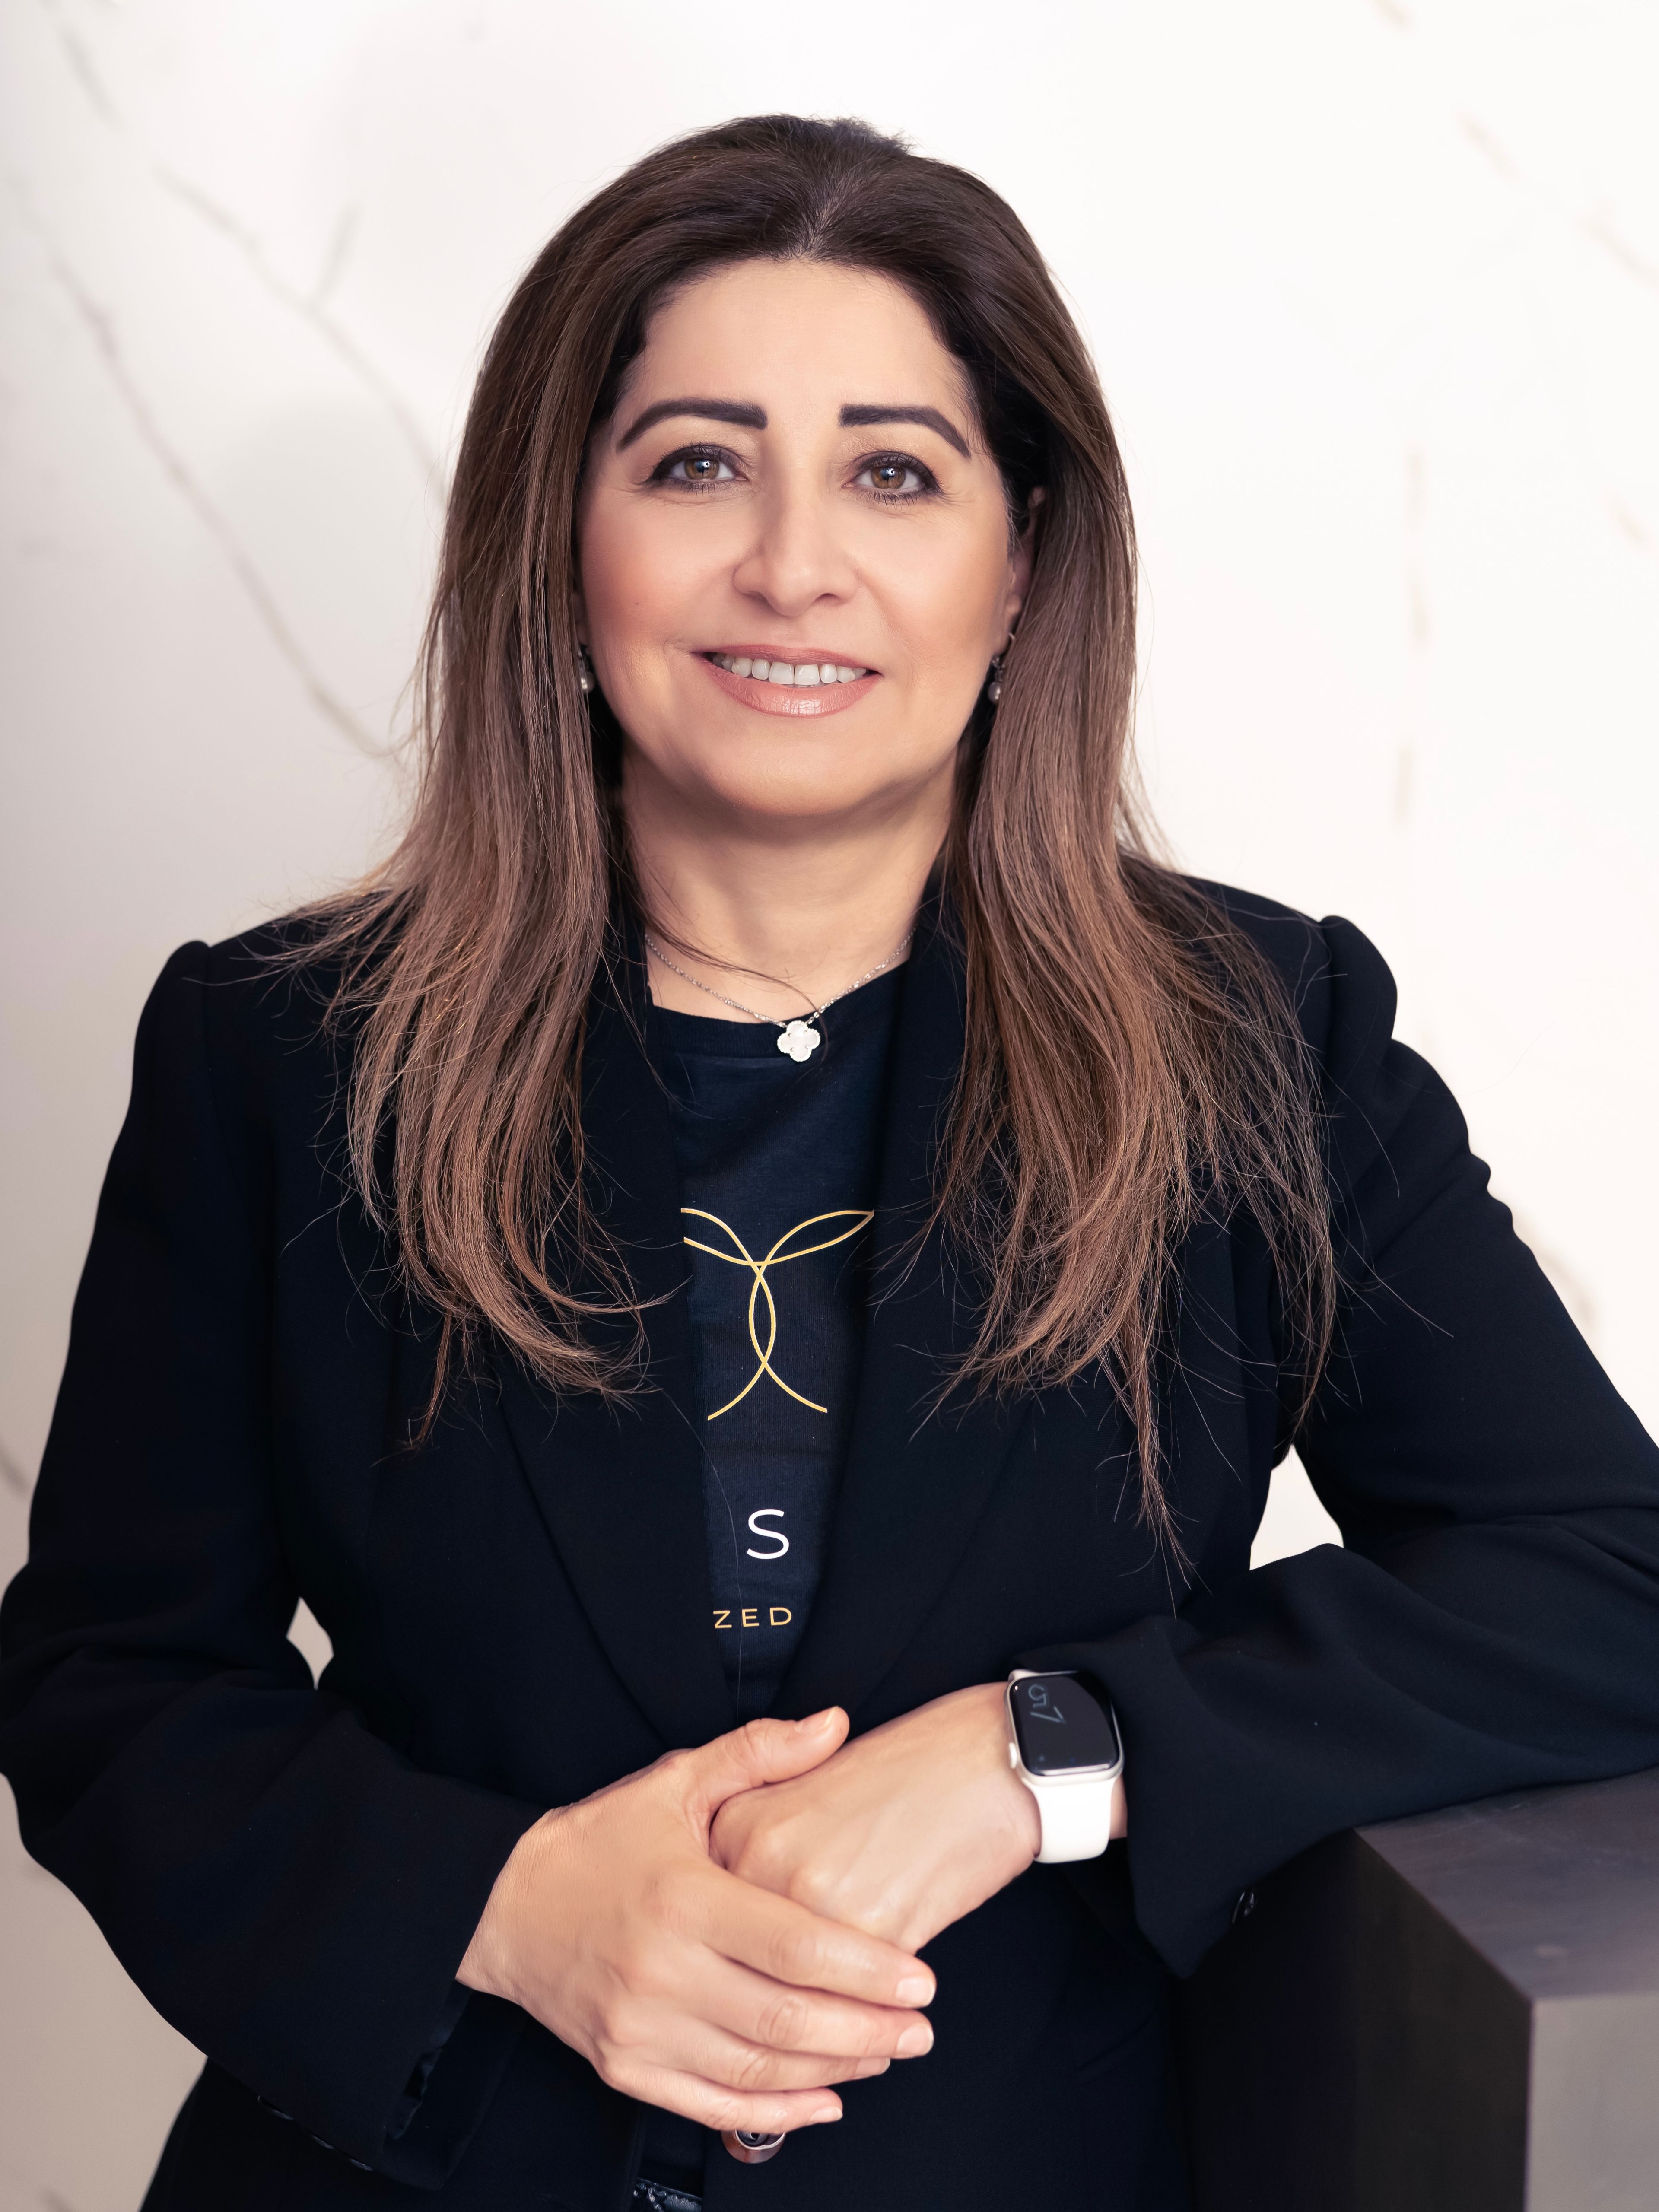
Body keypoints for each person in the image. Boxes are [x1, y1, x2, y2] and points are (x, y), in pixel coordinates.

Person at [4, 112, 1658, 2212]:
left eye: (896, 469)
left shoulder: (1265, 1039)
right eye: (696, 462)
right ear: (560, 538)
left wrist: (1043, 1750)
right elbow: (113, 1681)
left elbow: (1609, 1568)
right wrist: (508, 1902)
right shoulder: (282, 1053)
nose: (795, 564)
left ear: (1025, 554)